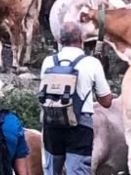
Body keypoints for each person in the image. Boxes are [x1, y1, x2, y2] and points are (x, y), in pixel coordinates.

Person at [38, 22, 114, 175]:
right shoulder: (91, 63)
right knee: (77, 171)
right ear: (81, 38)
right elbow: (106, 102)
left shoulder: (48, 61)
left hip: (52, 122)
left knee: (51, 171)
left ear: (59, 39)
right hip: (80, 124)